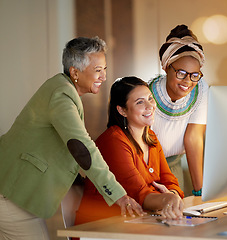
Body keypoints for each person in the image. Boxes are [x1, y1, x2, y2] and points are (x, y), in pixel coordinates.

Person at [0, 37, 144, 240]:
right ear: (75, 72)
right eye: (98, 70)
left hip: (13, 191)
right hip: (12, 194)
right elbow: (82, 147)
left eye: (104, 69)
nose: (104, 76)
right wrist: (118, 195)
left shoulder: (62, 89)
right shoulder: (62, 95)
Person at [75, 77, 184, 226]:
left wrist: (172, 195)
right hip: (100, 227)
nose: (150, 106)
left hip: (137, 223)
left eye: (150, 99)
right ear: (122, 110)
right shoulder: (114, 141)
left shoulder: (150, 137)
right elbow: (141, 196)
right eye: (140, 102)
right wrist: (167, 199)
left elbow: (170, 182)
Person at [148, 24, 208, 196]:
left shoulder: (200, 89)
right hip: (146, 164)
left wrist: (200, 190)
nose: (188, 81)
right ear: (166, 67)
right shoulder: (147, 93)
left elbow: (193, 137)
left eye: (194, 75)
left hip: (173, 164)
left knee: (176, 215)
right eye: (181, 73)